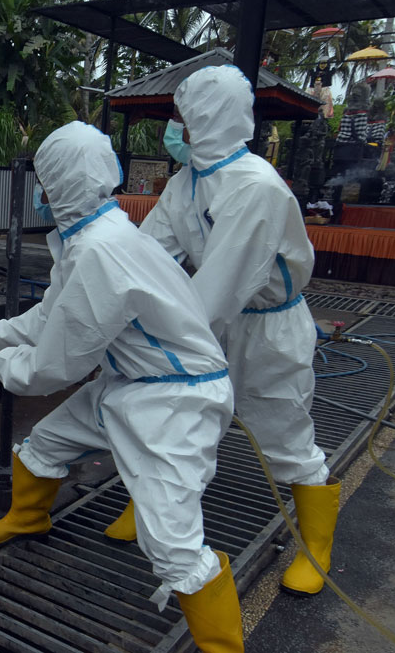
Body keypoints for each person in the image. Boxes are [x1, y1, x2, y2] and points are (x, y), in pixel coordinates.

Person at [0, 121, 244, 651]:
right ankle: (27, 518)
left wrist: (6, 367)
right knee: (47, 443)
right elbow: (48, 317)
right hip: (134, 383)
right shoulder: (91, 239)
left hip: (175, 402)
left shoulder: (101, 253)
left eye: (43, 183)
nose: (38, 194)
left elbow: (58, 362)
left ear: (58, 188)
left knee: (173, 548)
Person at [115, 65, 338, 599]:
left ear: (206, 118)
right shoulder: (187, 182)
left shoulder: (254, 186)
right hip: (213, 318)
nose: (174, 127)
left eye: (180, 116)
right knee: (172, 419)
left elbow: (219, 288)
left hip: (265, 329)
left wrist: (145, 339)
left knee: (283, 436)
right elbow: (147, 254)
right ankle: (148, 506)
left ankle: (317, 549)